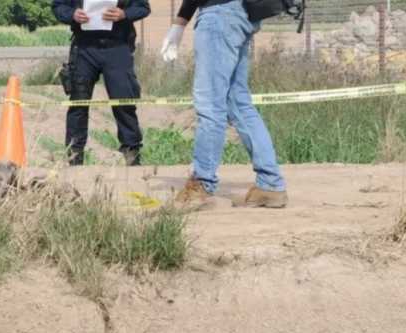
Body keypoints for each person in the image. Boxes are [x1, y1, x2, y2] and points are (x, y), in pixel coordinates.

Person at [161, 0, 288, 208]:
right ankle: (270, 185)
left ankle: (201, 185)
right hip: (240, 13)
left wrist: (179, 23)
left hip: (218, 15)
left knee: (210, 105)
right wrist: (181, 21)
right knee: (238, 103)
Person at [52, 0, 150, 166]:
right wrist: (72, 15)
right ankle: (74, 158)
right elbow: (58, 6)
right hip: (84, 48)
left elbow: (142, 8)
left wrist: (124, 14)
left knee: (124, 101)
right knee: (78, 104)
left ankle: (132, 155)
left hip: (117, 46)